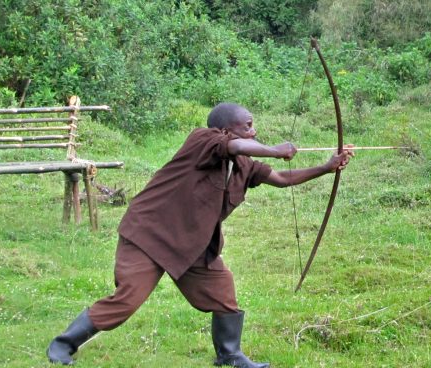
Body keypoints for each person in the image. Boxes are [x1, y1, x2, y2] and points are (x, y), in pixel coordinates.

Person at [47, 103, 353, 367]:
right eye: (247, 127)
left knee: (223, 291)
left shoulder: (245, 165)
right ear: (225, 129)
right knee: (128, 299)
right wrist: (275, 150)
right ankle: (63, 344)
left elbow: (282, 178)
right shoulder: (203, 139)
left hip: (192, 244)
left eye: (253, 126)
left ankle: (229, 355)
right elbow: (232, 146)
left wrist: (327, 167)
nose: (253, 132)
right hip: (151, 234)